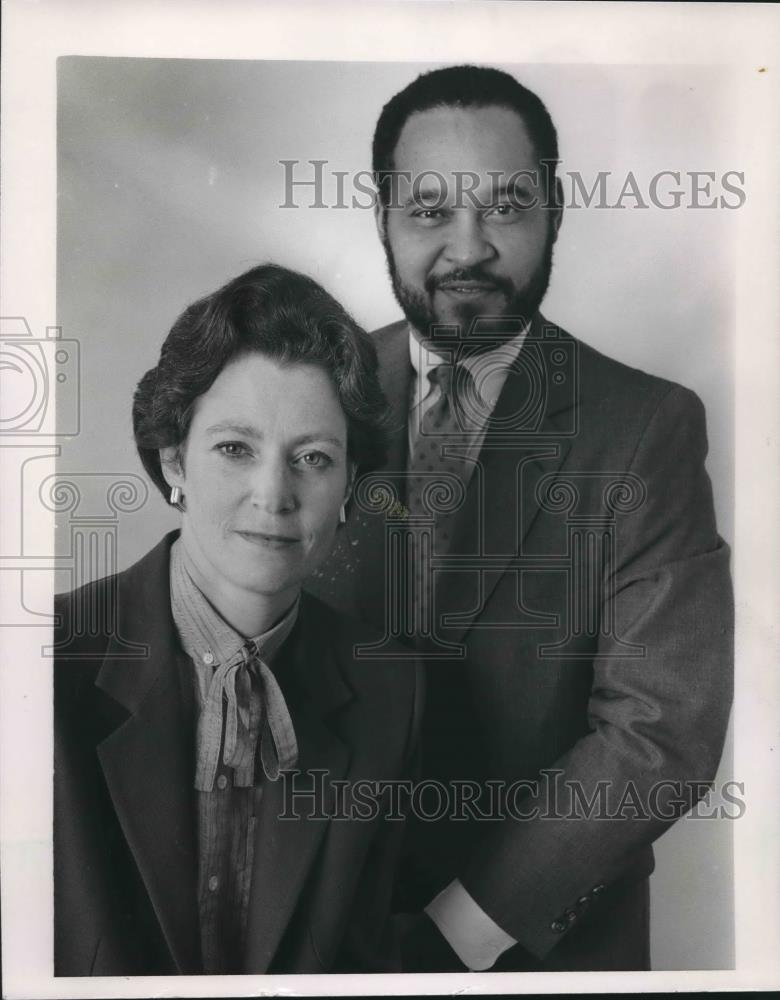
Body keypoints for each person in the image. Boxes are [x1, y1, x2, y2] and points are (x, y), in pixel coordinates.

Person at [307, 65, 734, 972]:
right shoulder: (317, 396)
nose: (469, 250)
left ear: (556, 212)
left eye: (504, 206)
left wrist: (451, 935)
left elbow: (661, 733)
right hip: (314, 930)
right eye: (429, 211)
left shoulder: (646, 427)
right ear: (380, 216)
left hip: (541, 955)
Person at [53, 264, 421, 976]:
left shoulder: (392, 687)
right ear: (173, 463)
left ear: (349, 488)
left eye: (313, 458)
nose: (273, 494)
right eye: (234, 449)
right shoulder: (41, 662)